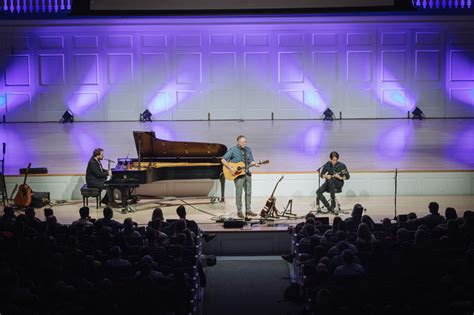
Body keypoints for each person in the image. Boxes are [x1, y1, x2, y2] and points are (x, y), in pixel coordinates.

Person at [221, 135, 259, 218]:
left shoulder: (248, 149)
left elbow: (251, 160)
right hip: (238, 175)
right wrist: (230, 168)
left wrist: (254, 163)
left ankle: (248, 210)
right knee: (239, 193)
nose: (244, 143)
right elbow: (223, 159)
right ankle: (239, 211)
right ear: (238, 142)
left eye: (245, 142)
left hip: (247, 173)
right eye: (242, 142)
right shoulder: (233, 150)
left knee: (248, 193)